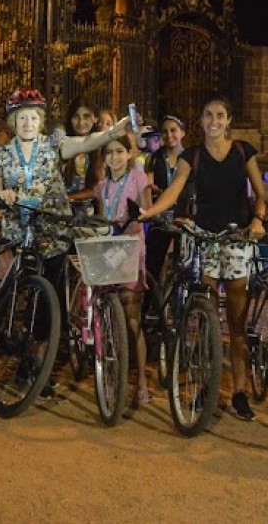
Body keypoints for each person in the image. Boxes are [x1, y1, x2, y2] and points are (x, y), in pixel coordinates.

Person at [0, 88, 128, 397]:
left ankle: (40, 365)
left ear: (41, 121)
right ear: (13, 121)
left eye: (33, 118)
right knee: (17, 298)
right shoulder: (5, 154)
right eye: (22, 118)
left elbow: (86, 142)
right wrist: (1, 195)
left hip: (52, 235)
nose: (27, 123)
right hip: (20, 235)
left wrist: (111, 132)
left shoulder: (52, 147)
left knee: (49, 304)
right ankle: (10, 346)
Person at [140, 94, 268, 420]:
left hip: (237, 238)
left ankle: (239, 391)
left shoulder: (243, 152)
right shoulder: (191, 155)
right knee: (207, 318)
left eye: (220, 115)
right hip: (205, 240)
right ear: (201, 120)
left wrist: (257, 220)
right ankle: (206, 387)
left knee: (236, 325)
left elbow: (261, 194)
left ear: (228, 121)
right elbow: (174, 189)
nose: (214, 121)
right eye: (208, 115)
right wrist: (150, 212)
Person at [97, 131, 153, 408]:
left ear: (130, 154)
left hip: (132, 247)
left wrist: (134, 216)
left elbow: (147, 210)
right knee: (109, 310)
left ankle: (141, 380)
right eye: (109, 153)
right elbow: (100, 219)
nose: (115, 157)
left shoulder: (138, 178)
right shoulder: (101, 186)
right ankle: (112, 372)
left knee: (132, 314)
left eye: (120, 151)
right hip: (109, 251)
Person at [142, 115, 188, 287]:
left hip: (182, 218)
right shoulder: (154, 158)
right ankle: (148, 307)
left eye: (174, 130)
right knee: (152, 265)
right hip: (160, 218)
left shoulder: (191, 158)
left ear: (183, 132)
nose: (169, 135)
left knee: (183, 265)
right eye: (165, 131)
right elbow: (148, 184)